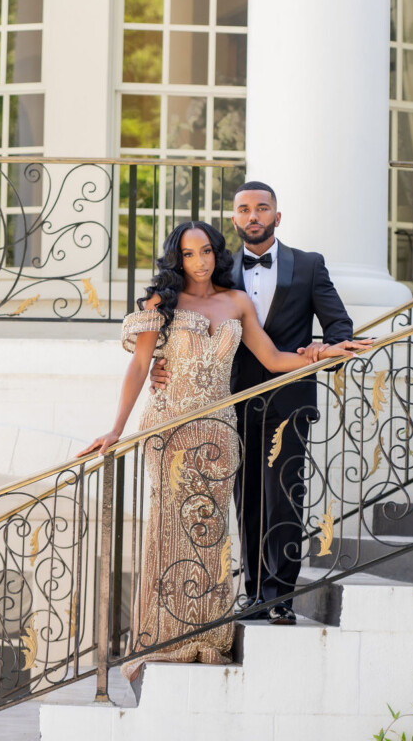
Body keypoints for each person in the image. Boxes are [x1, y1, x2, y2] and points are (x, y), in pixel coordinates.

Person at [78, 220, 368, 680]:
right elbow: (139, 367)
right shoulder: (163, 302)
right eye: (190, 254)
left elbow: (273, 360)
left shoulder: (236, 302)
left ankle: (208, 636)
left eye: (207, 251)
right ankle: (163, 638)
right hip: (171, 427)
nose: (200, 262)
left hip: (217, 430)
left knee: (212, 534)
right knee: (170, 531)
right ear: (178, 257)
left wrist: (320, 354)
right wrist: (115, 429)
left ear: (218, 253)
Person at [150, 182, 355, 626]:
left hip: (290, 402)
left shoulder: (309, 266)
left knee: (284, 498)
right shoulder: (218, 273)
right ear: (235, 219)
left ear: (277, 216)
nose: (254, 216)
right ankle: (253, 594)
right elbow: (184, 325)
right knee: (245, 501)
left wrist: (326, 350)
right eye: (244, 209)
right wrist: (160, 366)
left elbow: (339, 324)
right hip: (231, 401)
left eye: (262, 208)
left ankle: (280, 597)